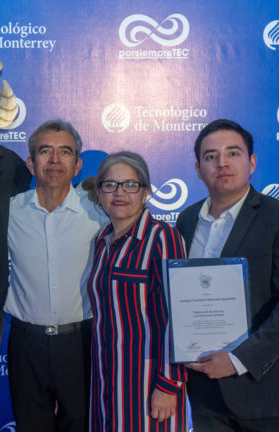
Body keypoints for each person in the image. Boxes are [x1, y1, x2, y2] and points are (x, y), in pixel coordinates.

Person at [176, 119, 279, 431]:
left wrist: (238, 359)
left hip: (265, 392)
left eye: (233, 153)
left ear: (252, 162)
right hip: (203, 394)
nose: (222, 163)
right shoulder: (185, 221)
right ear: (198, 169)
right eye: (211, 156)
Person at [4, 120, 105, 432]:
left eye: (65, 152)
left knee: (81, 424)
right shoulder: (8, 211)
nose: (55, 160)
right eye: (45, 151)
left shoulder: (99, 211)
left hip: (82, 342)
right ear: (31, 163)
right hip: (25, 342)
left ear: (78, 165)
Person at [88, 151, 188, 432]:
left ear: (145, 192)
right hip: (105, 383)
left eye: (131, 185)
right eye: (110, 185)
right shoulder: (100, 242)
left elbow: (178, 317)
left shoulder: (163, 238)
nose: (120, 193)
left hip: (147, 385)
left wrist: (169, 383)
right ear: (99, 192)